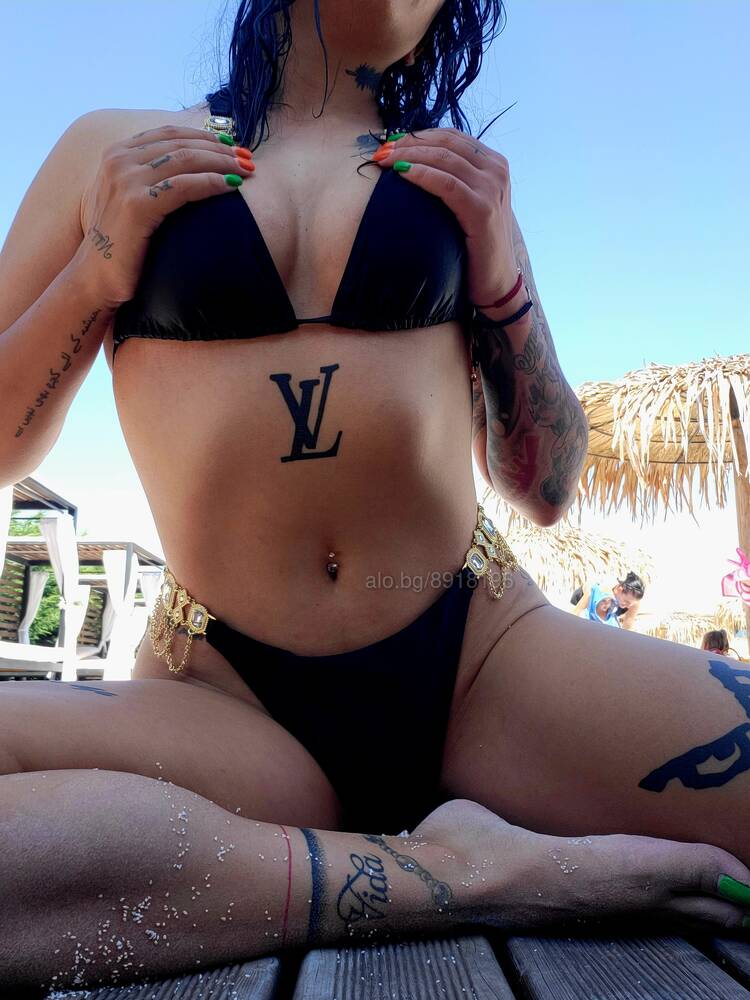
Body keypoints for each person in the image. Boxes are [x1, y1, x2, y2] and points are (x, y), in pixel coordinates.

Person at [1, 1, 749, 989]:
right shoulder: (112, 150)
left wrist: (505, 289)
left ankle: (308, 870)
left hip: (486, 662)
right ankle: (464, 875)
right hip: (223, 698)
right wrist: (94, 274)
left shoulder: (453, 175)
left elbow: (547, 486)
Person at [571, 571, 646, 629]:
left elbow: (628, 627)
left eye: (630, 604)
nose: (628, 606)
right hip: (581, 597)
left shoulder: (633, 601)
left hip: (614, 604)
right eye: (626, 602)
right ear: (619, 589)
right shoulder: (600, 589)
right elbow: (575, 615)